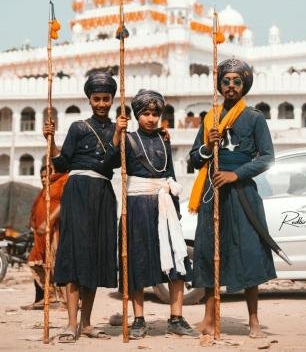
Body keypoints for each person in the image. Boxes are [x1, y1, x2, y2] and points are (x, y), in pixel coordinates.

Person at [189, 58, 276, 339]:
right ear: (220, 85)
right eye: (226, 81)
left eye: (236, 81)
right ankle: (210, 319)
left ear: (244, 85)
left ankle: (253, 321)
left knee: (248, 253)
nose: (230, 86)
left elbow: (267, 158)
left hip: (242, 195)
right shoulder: (209, 118)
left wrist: (235, 175)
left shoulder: (254, 118)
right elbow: (193, 158)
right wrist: (207, 145)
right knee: (210, 252)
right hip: (211, 194)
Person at [43, 70, 125, 342]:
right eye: (96, 99)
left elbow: (111, 164)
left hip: (102, 193)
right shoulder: (79, 127)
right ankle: (70, 324)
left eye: (106, 98)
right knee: (76, 255)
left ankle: (87, 323)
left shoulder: (119, 130)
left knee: (94, 256)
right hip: (77, 192)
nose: (101, 103)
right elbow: (63, 164)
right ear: (89, 100)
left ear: (112, 100)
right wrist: (51, 141)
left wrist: (119, 137)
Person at [115, 89, 198, 339]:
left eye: (155, 113)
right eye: (145, 113)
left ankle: (176, 317)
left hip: (165, 207)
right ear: (137, 115)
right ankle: (139, 320)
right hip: (137, 208)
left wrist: (175, 207)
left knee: (177, 262)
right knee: (137, 263)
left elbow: (170, 173)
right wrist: (118, 132)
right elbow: (110, 161)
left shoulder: (164, 139)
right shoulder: (128, 140)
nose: (151, 118)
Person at [21, 165, 68, 310]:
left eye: (45, 176)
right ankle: (49, 296)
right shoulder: (45, 189)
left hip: (55, 231)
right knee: (38, 264)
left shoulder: (63, 180)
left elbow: (64, 203)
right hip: (41, 235)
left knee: (56, 265)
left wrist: (49, 222)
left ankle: (66, 302)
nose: (43, 179)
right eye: (41, 177)